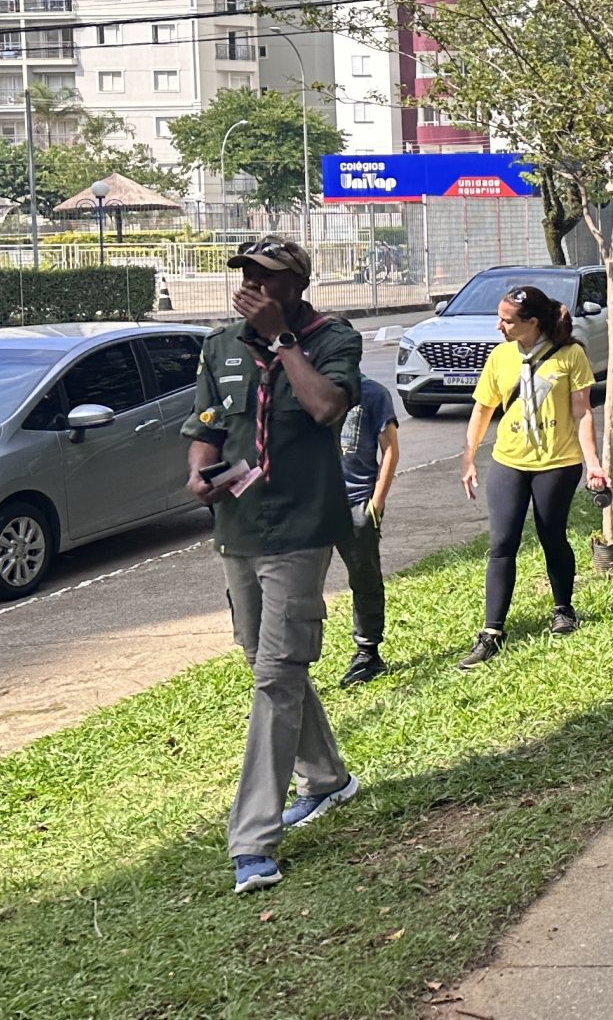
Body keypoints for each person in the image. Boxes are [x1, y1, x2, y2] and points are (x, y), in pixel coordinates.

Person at [181, 235, 364, 894]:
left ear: (296, 284)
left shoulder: (331, 339)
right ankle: (328, 777)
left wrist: (282, 341)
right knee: (264, 657)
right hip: (238, 526)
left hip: (301, 527)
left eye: (265, 276)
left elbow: (324, 408)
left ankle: (252, 839)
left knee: (277, 676)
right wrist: (200, 475)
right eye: (244, 275)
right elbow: (206, 428)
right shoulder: (219, 346)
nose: (251, 286)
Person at [458, 284, 607, 667]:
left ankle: (563, 608)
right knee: (502, 542)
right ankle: (492, 631)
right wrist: (469, 458)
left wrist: (592, 463)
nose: (499, 327)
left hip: (558, 462)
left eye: (507, 321)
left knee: (551, 534)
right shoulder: (501, 357)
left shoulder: (571, 355)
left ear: (532, 322)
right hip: (509, 459)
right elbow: (482, 410)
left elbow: (582, 412)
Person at [335, 375, 400, 684]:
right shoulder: (301, 390)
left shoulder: (373, 393)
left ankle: (367, 651)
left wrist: (375, 502)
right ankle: (294, 660)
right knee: (299, 585)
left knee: (364, 577)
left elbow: (389, 449)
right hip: (312, 505)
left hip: (357, 503)